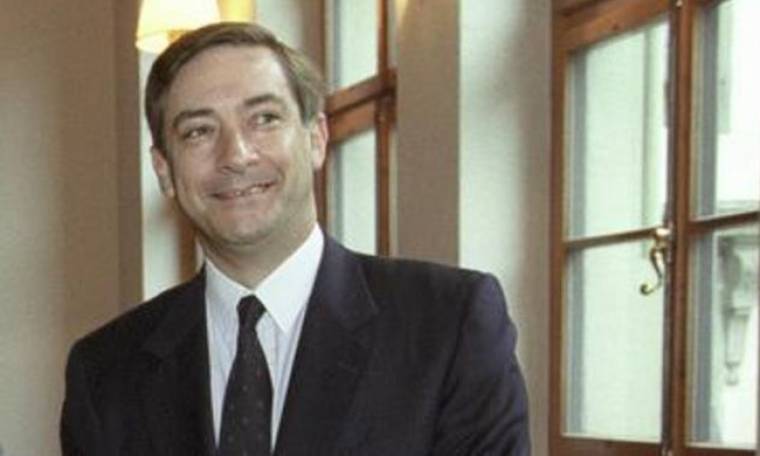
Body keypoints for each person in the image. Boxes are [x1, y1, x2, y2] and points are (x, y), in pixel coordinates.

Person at [60, 21, 530, 455]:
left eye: (264, 119)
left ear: (316, 138)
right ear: (164, 169)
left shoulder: (448, 326)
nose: (236, 155)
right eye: (199, 131)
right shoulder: (103, 375)